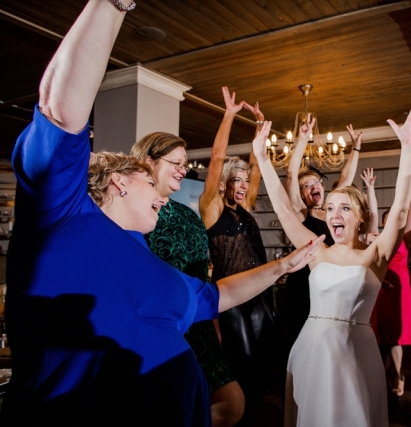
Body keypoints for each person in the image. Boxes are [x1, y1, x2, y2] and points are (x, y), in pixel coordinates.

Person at [0, 1, 323, 425]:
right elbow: (59, 111)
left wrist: (284, 264)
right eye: (151, 184)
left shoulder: (147, 257)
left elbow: (217, 296)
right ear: (119, 181)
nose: (163, 196)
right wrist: (113, 6)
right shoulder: (64, 217)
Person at [253, 108, 411, 426]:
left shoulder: (376, 255)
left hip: (356, 352)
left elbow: (401, 209)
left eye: (345, 208)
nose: (334, 214)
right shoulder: (316, 250)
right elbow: (283, 209)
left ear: (360, 217)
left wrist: (408, 148)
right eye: (331, 208)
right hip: (311, 348)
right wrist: (263, 158)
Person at [130, 114, 244, 424]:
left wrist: (213, 320)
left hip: (200, 323)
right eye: (176, 163)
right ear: (149, 161)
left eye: (185, 164)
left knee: (231, 403)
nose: (184, 169)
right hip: (162, 327)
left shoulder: (187, 214)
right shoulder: (133, 214)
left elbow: (201, 273)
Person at [198, 92, 274, 426]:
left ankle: (247, 417)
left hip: (262, 295)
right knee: (241, 364)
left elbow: (256, 165)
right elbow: (217, 158)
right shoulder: (212, 208)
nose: (243, 185)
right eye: (236, 180)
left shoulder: (246, 205)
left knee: (265, 367)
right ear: (223, 183)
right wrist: (229, 114)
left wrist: (260, 126)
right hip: (232, 299)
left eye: (245, 181)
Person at [282, 122, 363, 352]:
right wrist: (302, 140)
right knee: (303, 340)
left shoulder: (331, 210)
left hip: (329, 281)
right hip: (303, 283)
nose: (312, 187)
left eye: (315, 182)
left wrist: (355, 148)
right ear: (302, 194)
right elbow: (291, 175)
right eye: (306, 186)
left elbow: (345, 177)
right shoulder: (301, 212)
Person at [371, 171, 411, 398]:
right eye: (387, 218)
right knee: (381, 333)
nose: (390, 220)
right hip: (380, 289)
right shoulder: (376, 237)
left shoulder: (406, 237)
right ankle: (385, 371)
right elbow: (372, 213)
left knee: (396, 334)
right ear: (384, 222)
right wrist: (370, 188)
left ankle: (399, 374)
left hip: (400, 289)